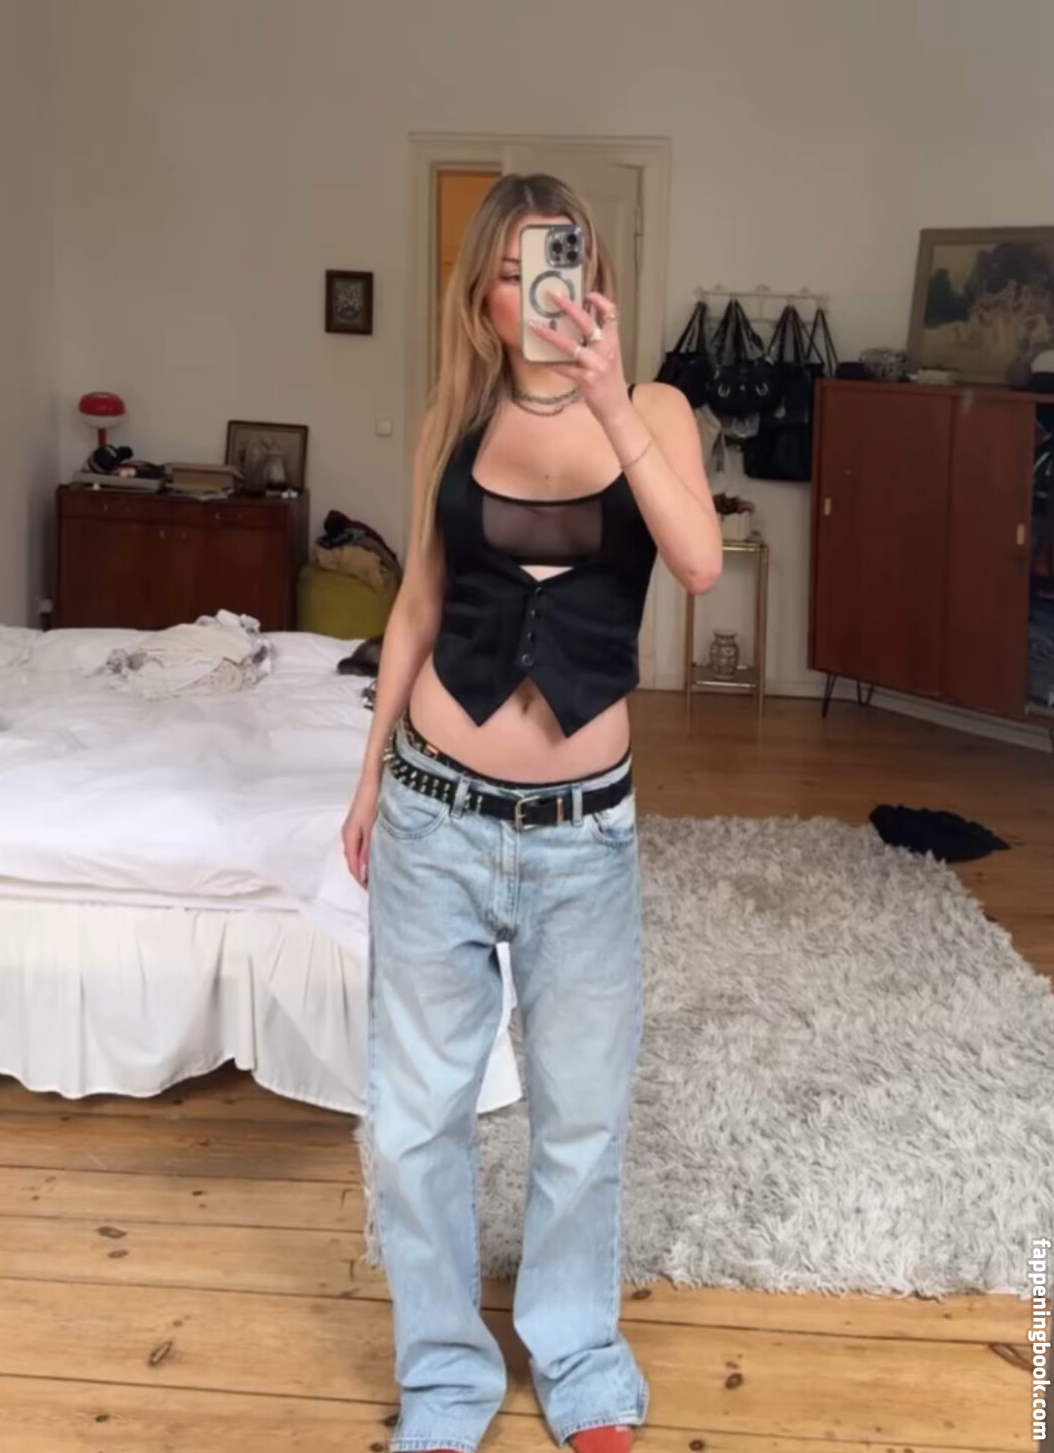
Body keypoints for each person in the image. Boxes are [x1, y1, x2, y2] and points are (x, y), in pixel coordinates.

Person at [342, 173, 723, 1453]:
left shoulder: (654, 408)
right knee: (416, 1124)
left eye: (550, 264)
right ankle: (446, 1381)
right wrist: (365, 774)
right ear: (482, 298)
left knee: (581, 1115)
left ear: (591, 277)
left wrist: (608, 396)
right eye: (506, 273)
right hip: (434, 816)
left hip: (583, 837)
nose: (531, 293)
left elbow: (698, 561)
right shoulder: (452, 417)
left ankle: (579, 1360)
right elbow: (416, 603)